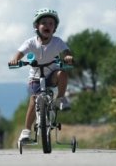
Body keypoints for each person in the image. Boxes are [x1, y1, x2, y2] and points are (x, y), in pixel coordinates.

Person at [8, 8, 73, 142]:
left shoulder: (57, 42)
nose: (47, 26)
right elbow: (20, 53)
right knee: (33, 100)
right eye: (44, 23)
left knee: (63, 73)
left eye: (51, 23)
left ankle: (60, 98)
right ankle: (26, 131)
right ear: (37, 26)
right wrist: (16, 59)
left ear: (54, 28)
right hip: (36, 78)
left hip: (52, 75)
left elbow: (66, 51)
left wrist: (68, 57)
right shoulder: (30, 43)